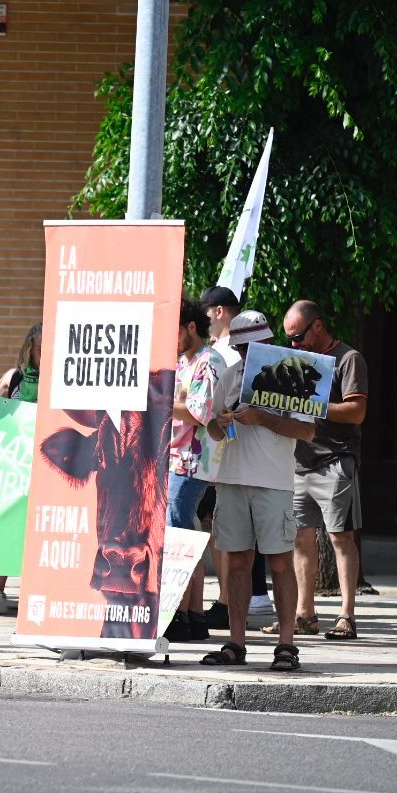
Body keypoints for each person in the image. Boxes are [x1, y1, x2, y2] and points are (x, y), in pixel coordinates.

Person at [202, 311, 316, 672]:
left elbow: (308, 432)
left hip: (274, 481)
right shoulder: (231, 373)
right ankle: (236, 641)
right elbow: (215, 431)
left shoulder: (292, 372)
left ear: (267, 343)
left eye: (251, 346)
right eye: (239, 347)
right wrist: (217, 423)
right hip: (232, 478)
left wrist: (263, 417)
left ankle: (286, 644)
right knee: (236, 562)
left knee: (280, 562)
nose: (245, 354)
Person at [281, 299, 369, 641]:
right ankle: (305, 613)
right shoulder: (298, 361)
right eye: (289, 339)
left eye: (298, 335)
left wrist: (312, 405)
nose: (294, 344)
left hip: (336, 459)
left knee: (340, 537)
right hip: (300, 460)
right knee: (300, 539)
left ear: (318, 325)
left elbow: (356, 412)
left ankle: (347, 615)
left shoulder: (349, 359)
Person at [201, 285, 269, 627]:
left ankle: (236, 599)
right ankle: (236, 600)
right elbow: (217, 419)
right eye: (243, 346)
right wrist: (224, 425)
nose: (247, 352)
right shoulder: (227, 363)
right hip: (226, 461)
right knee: (227, 533)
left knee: (244, 539)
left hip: (249, 467)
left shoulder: (223, 358)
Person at [163, 296, 225, 642]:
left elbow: (199, 411)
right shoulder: (183, 361)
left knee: (179, 536)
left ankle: (180, 613)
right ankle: (192, 614)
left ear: (191, 326)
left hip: (191, 462)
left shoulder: (208, 361)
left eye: (175, 331)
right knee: (184, 534)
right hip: (176, 459)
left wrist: (160, 403)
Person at [0, 322, 41, 616]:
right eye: (40, 347)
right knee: (5, 525)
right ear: (29, 349)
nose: (45, 352)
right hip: (13, 466)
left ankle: (36, 593)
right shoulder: (14, 378)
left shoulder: (61, 379)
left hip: (45, 467)